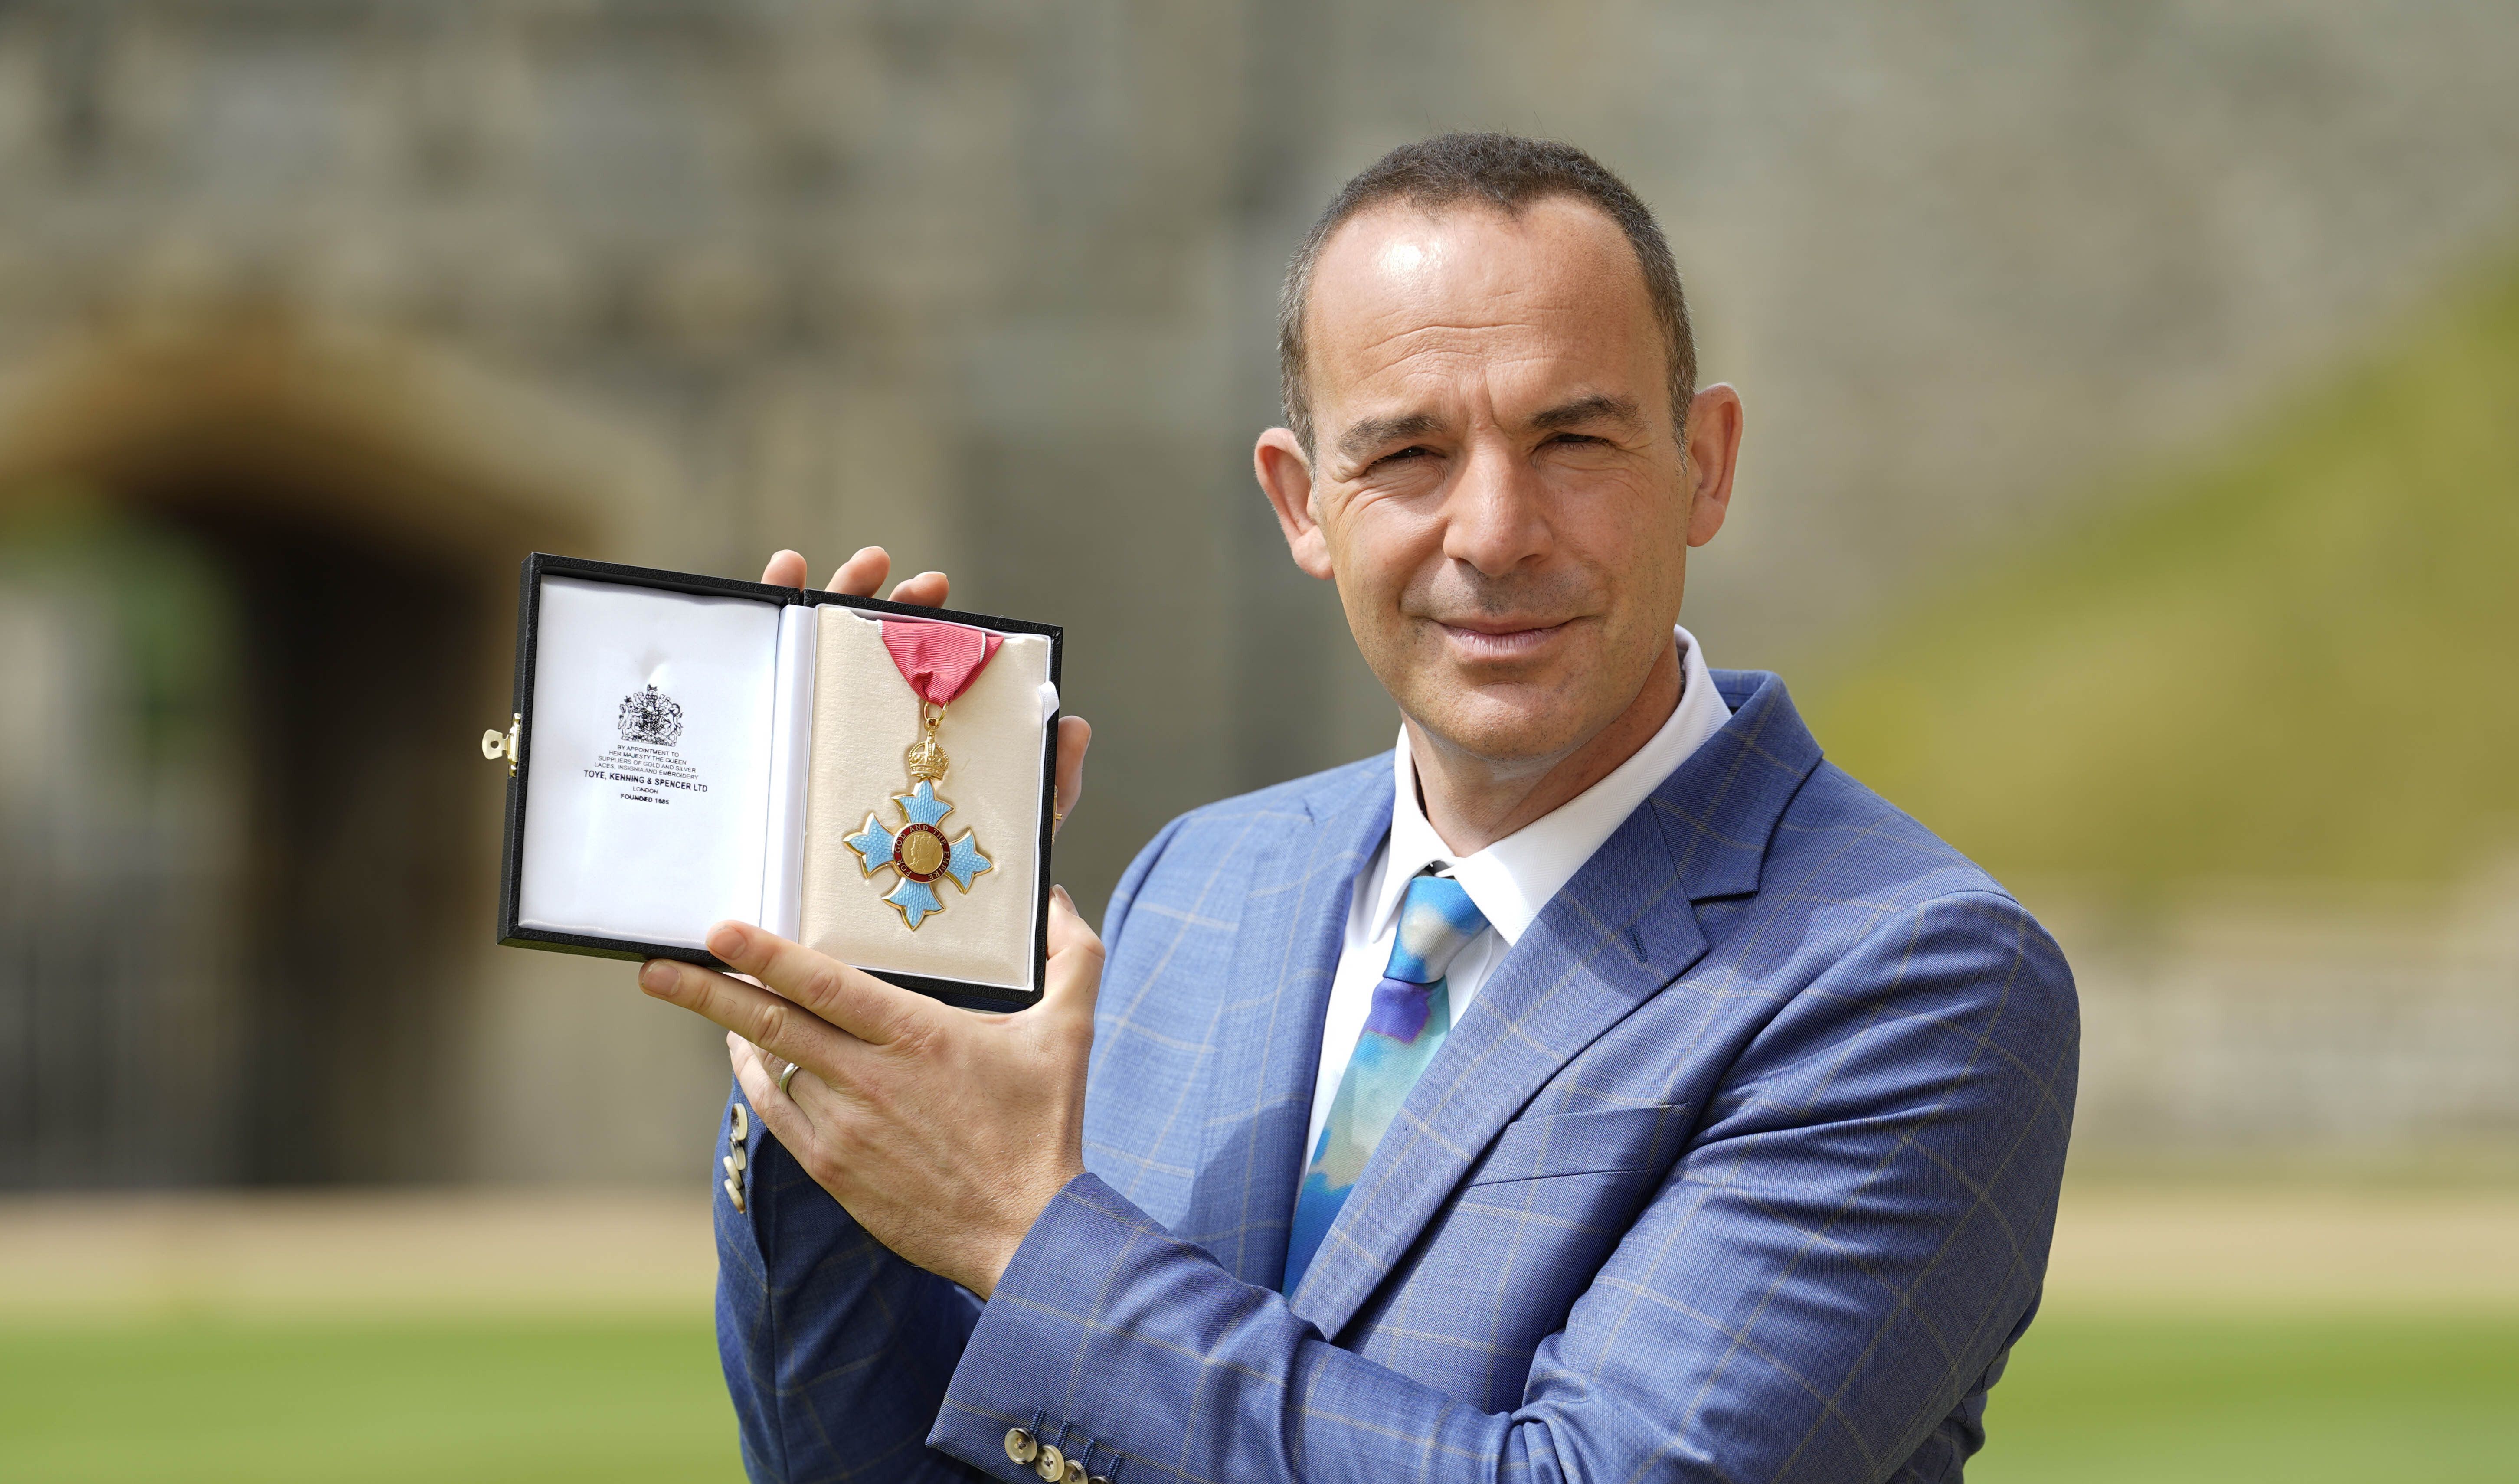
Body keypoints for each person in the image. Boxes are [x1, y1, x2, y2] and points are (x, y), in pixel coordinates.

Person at [638, 133, 2077, 1484]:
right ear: (1301, 502)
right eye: (1407, 455)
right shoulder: (1204, 879)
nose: (1497, 532)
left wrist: (1027, 1233)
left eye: (1575, 441)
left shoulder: (1915, 974)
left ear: (1704, 463)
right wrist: (842, 1055)